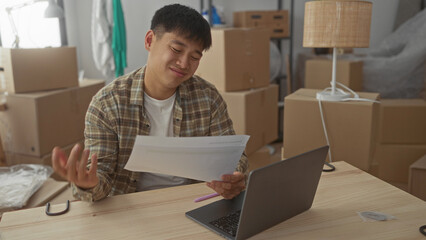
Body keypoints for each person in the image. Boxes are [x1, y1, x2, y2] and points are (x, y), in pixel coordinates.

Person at [51, 4, 248, 202]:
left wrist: (234, 178)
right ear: (149, 41)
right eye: (176, 49)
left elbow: (233, 157)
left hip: (191, 201)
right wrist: (89, 183)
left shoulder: (208, 97)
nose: (184, 63)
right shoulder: (107, 104)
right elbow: (101, 180)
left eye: (195, 57)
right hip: (131, 207)